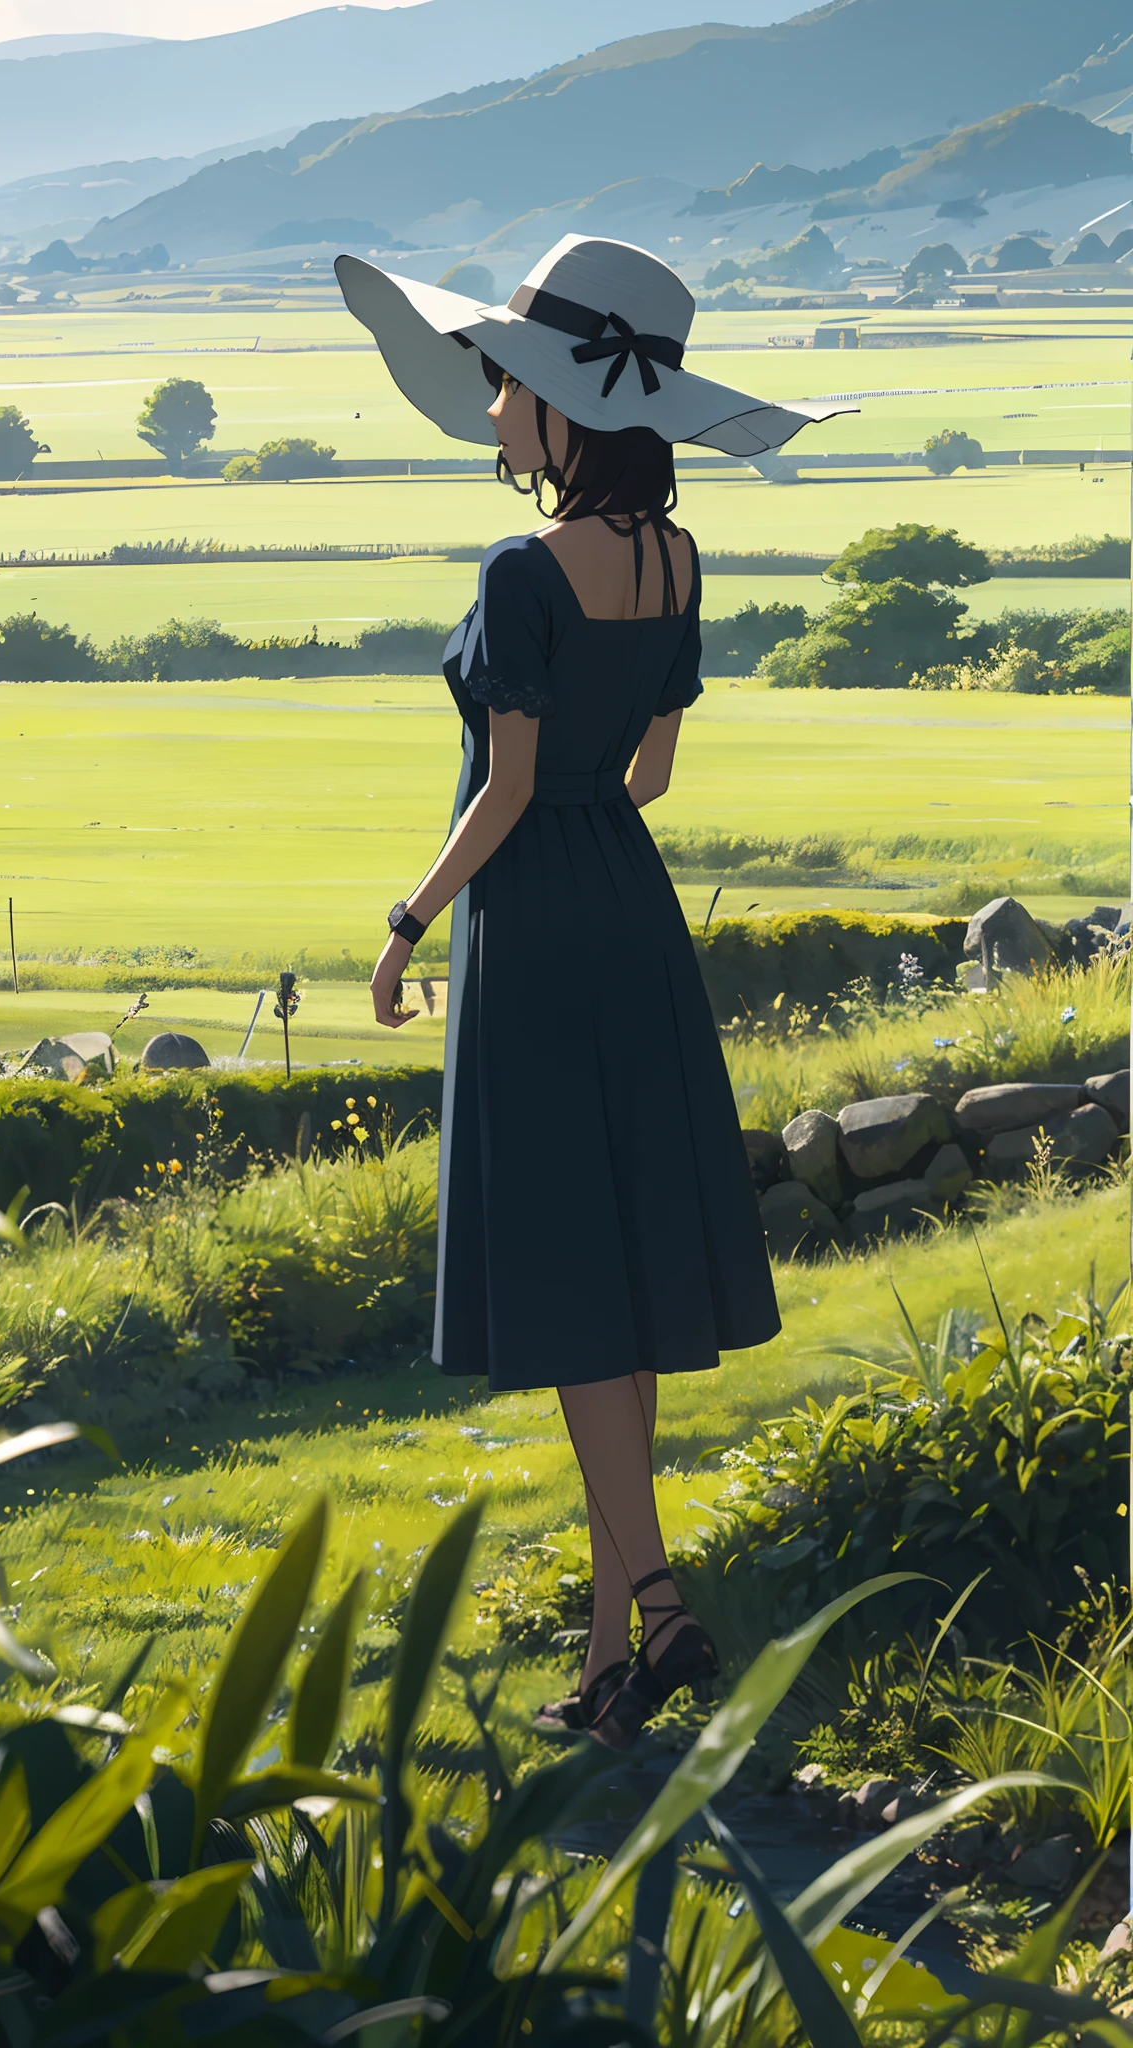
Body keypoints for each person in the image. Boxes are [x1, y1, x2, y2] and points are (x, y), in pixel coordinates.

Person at [335, 235, 853, 1749]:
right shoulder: (680, 561)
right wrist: (582, 798)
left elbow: (501, 793)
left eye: (509, 386)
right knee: (614, 1296)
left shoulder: (518, 570)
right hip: (630, 909)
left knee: (569, 1296)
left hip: (534, 929)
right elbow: (654, 770)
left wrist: (407, 919)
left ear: (569, 409)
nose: (494, 409)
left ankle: (662, 1608)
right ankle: (617, 1656)